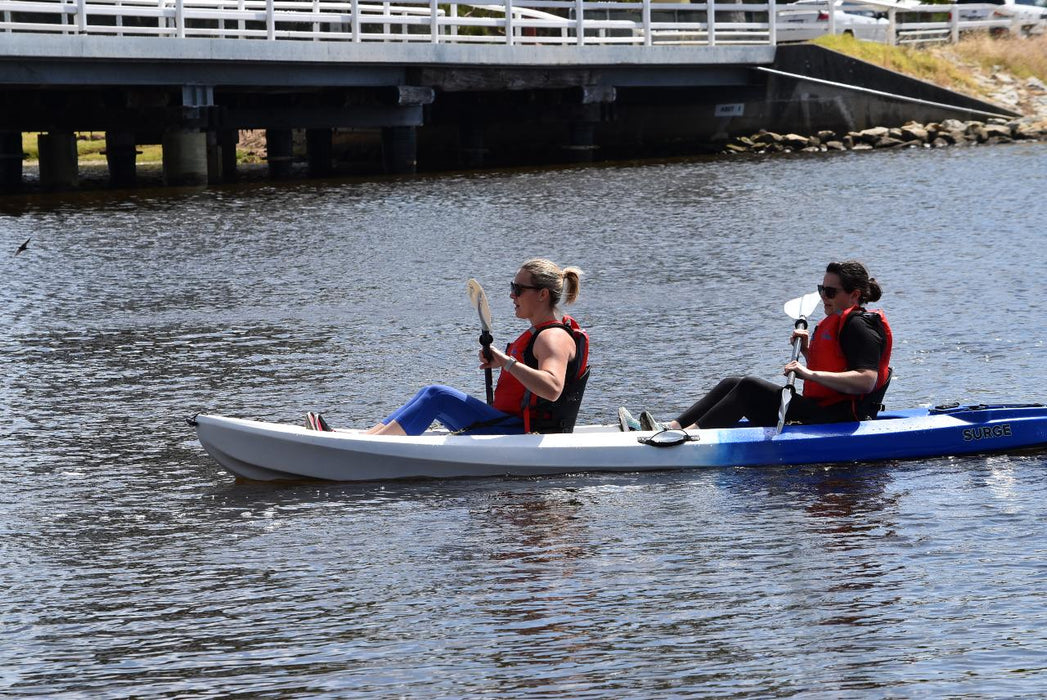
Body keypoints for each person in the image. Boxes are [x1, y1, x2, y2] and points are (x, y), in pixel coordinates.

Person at [625, 260, 892, 431]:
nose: (824, 296)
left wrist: (807, 373)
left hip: (839, 418)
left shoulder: (859, 325)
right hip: (823, 410)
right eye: (822, 289)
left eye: (831, 292)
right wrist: (811, 354)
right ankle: (670, 428)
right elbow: (836, 370)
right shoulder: (839, 323)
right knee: (734, 382)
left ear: (854, 295)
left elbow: (865, 381)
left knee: (750, 387)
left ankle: (688, 437)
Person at [367, 259, 590, 436]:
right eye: (512, 287)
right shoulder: (545, 333)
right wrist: (502, 363)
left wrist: (506, 362)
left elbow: (552, 389)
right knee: (428, 391)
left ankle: (374, 445)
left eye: (518, 289)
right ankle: (372, 436)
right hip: (509, 425)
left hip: (521, 432)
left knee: (438, 395)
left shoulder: (552, 337)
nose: (512, 295)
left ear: (543, 294)